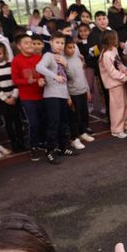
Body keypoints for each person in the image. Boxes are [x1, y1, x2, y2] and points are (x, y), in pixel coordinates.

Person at [36, 33, 77, 164]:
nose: (60, 45)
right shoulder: (48, 56)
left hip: (63, 95)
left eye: (62, 43)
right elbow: (39, 67)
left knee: (64, 123)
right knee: (53, 124)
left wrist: (66, 65)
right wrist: (54, 76)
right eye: (57, 42)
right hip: (51, 96)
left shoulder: (62, 57)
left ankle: (63, 148)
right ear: (51, 43)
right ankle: (50, 151)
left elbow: (70, 77)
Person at [12, 34, 47, 160]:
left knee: (43, 121)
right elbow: (15, 80)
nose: (30, 45)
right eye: (26, 43)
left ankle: (42, 142)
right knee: (34, 123)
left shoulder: (38, 58)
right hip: (27, 98)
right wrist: (29, 82)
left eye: (31, 42)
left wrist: (42, 80)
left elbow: (43, 74)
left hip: (41, 95)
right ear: (19, 46)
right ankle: (33, 146)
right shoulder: (16, 60)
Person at [99, 30, 127, 139]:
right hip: (113, 84)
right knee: (117, 108)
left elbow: (118, 64)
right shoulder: (105, 55)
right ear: (110, 40)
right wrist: (126, 78)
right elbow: (112, 72)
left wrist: (125, 71)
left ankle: (124, 125)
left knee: (124, 105)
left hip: (120, 83)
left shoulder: (114, 50)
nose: (116, 40)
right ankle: (116, 129)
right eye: (114, 38)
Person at [63, 37, 93, 147]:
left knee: (84, 113)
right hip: (72, 92)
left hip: (82, 90)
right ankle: (74, 138)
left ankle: (82, 132)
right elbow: (68, 78)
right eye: (69, 48)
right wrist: (68, 96)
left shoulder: (78, 58)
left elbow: (82, 75)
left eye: (73, 47)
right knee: (74, 116)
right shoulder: (63, 60)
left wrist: (87, 89)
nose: (72, 50)